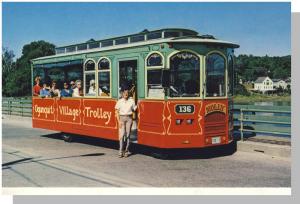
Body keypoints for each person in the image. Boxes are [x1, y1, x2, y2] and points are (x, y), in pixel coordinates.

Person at [115, 89, 137, 158]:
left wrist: (138, 104)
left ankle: (126, 151)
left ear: (128, 94)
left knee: (128, 135)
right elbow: (116, 111)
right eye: (124, 93)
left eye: (127, 93)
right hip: (122, 118)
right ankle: (120, 151)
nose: (126, 94)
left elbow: (134, 109)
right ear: (122, 94)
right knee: (121, 135)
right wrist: (118, 122)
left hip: (129, 118)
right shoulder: (120, 101)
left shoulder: (131, 101)